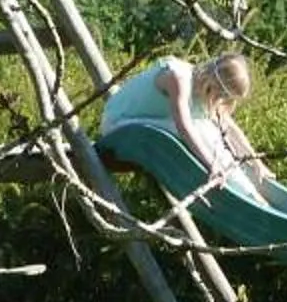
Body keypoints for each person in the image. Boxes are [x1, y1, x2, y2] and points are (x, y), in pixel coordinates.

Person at [101, 50, 270, 200]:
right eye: (225, 96)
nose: (223, 101)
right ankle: (249, 195)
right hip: (118, 126)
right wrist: (212, 164)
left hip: (145, 125)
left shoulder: (202, 87)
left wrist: (256, 163)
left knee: (210, 129)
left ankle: (251, 192)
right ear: (217, 86)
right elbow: (183, 125)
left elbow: (228, 127)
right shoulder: (179, 78)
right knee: (201, 129)